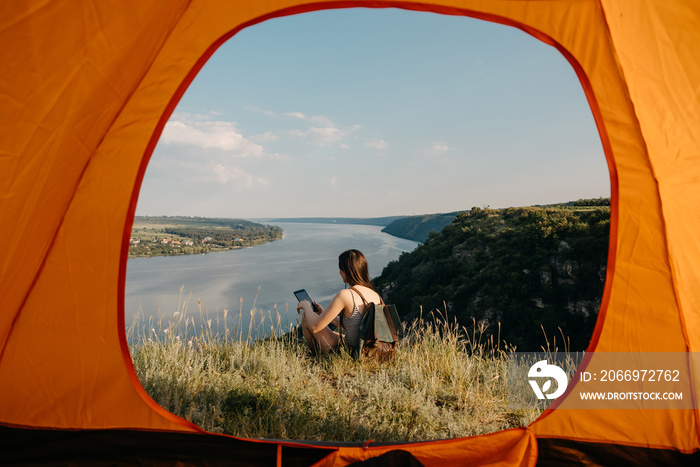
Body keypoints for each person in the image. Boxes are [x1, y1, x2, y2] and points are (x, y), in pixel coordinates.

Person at [296, 249, 382, 355]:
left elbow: (315, 327)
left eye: (340, 269)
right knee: (335, 333)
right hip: (371, 350)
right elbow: (355, 324)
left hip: (354, 352)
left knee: (306, 317)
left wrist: (307, 307)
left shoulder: (345, 294)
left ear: (346, 271)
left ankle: (317, 358)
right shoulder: (375, 295)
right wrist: (323, 313)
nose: (339, 272)